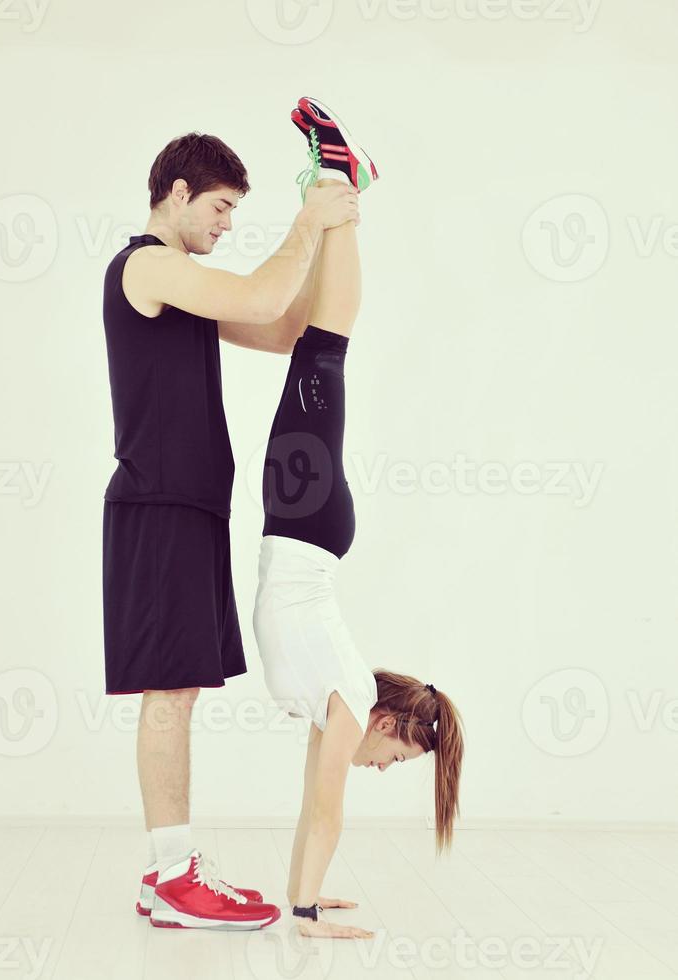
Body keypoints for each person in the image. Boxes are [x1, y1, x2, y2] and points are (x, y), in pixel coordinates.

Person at [101, 110, 360, 930]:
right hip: (158, 504)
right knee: (168, 692)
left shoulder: (187, 294)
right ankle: (175, 874)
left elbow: (286, 326)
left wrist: (334, 231)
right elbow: (261, 290)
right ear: (176, 193)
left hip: (194, 507)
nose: (223, 225)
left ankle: (165, 876)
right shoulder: (147, 268)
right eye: (217, 209)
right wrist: (306, 219)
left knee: (181, 689)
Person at [252, 97, 466, 940]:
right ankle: (343, 186)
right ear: (388, 722)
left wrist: (305, 892)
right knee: (324, 347)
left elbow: (313, 806)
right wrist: (305, 915)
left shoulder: (334, 704)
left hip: (302, 522)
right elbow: (332, 808)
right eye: (399, 759)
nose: (382, 768)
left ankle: (338, 186)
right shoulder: (344, 697)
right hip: (304, 522)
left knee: (318, 346)